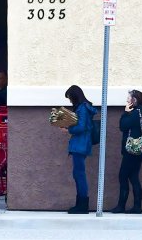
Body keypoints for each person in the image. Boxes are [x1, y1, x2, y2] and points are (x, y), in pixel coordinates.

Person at [109, 89, 142, 214]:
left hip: (131, 150)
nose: (127, 100)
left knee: (123, 176)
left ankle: (121, 205)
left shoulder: (134, 113)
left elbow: (122, 126)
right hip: (140, 149)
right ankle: (137, 206)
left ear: (134, 100)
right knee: (133, 177)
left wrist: (125, 113)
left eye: (128, 98)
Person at [64, 84, 97, 214]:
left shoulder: (82, 108)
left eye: (70, 98)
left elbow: (81, 127)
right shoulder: (84, 107)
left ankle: (82, 205)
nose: (70, 101)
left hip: (80, 144)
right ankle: (80, 204)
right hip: (81, 144)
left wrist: (68, 129)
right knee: (78, 174)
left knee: (79, 174)